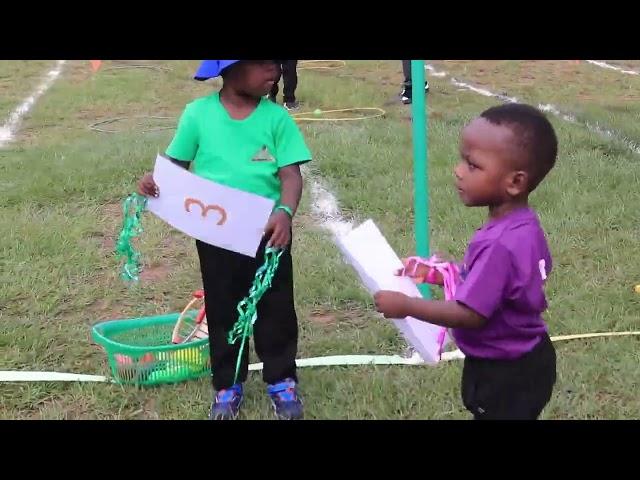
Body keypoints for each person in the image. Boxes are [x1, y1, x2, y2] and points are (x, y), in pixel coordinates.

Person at [138, 60, 312, 420]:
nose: (275, 72)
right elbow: (174, 166)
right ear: (231, 69)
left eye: (276, 64)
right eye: (264, 64)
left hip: (270, 237)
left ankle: (281, 380)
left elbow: (291, 176)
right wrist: (155, 181)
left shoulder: (277, 118)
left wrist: (285, 211)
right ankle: (227, 383)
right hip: (216, 238)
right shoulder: (197, 115)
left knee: (276, 308)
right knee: (222, 310)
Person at [374, 103, 558, 420]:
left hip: (505, 373)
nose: (458, 170)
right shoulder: (523, 226)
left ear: (514, 182)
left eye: (473, 165)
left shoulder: (499, 243)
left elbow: (471, 314)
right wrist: (437, 274)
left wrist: (405, 306)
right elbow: (494, 284)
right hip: (527, 359)